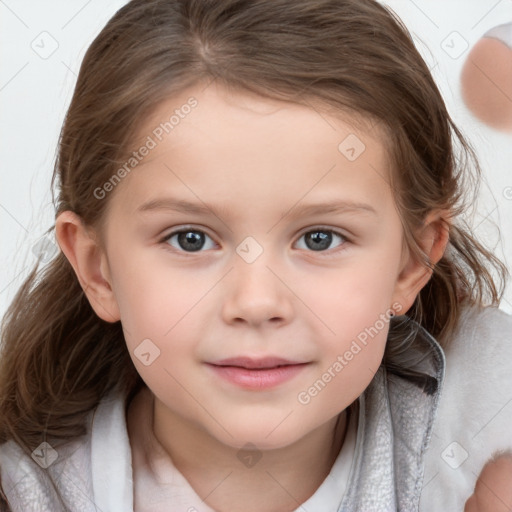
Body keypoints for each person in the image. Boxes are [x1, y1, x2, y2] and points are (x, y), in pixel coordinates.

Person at [0, 0, 511, 510]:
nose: (257, 301)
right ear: (98, 269)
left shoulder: (487, 439)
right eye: (190, 239)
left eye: (320, 239)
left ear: (411, 262)